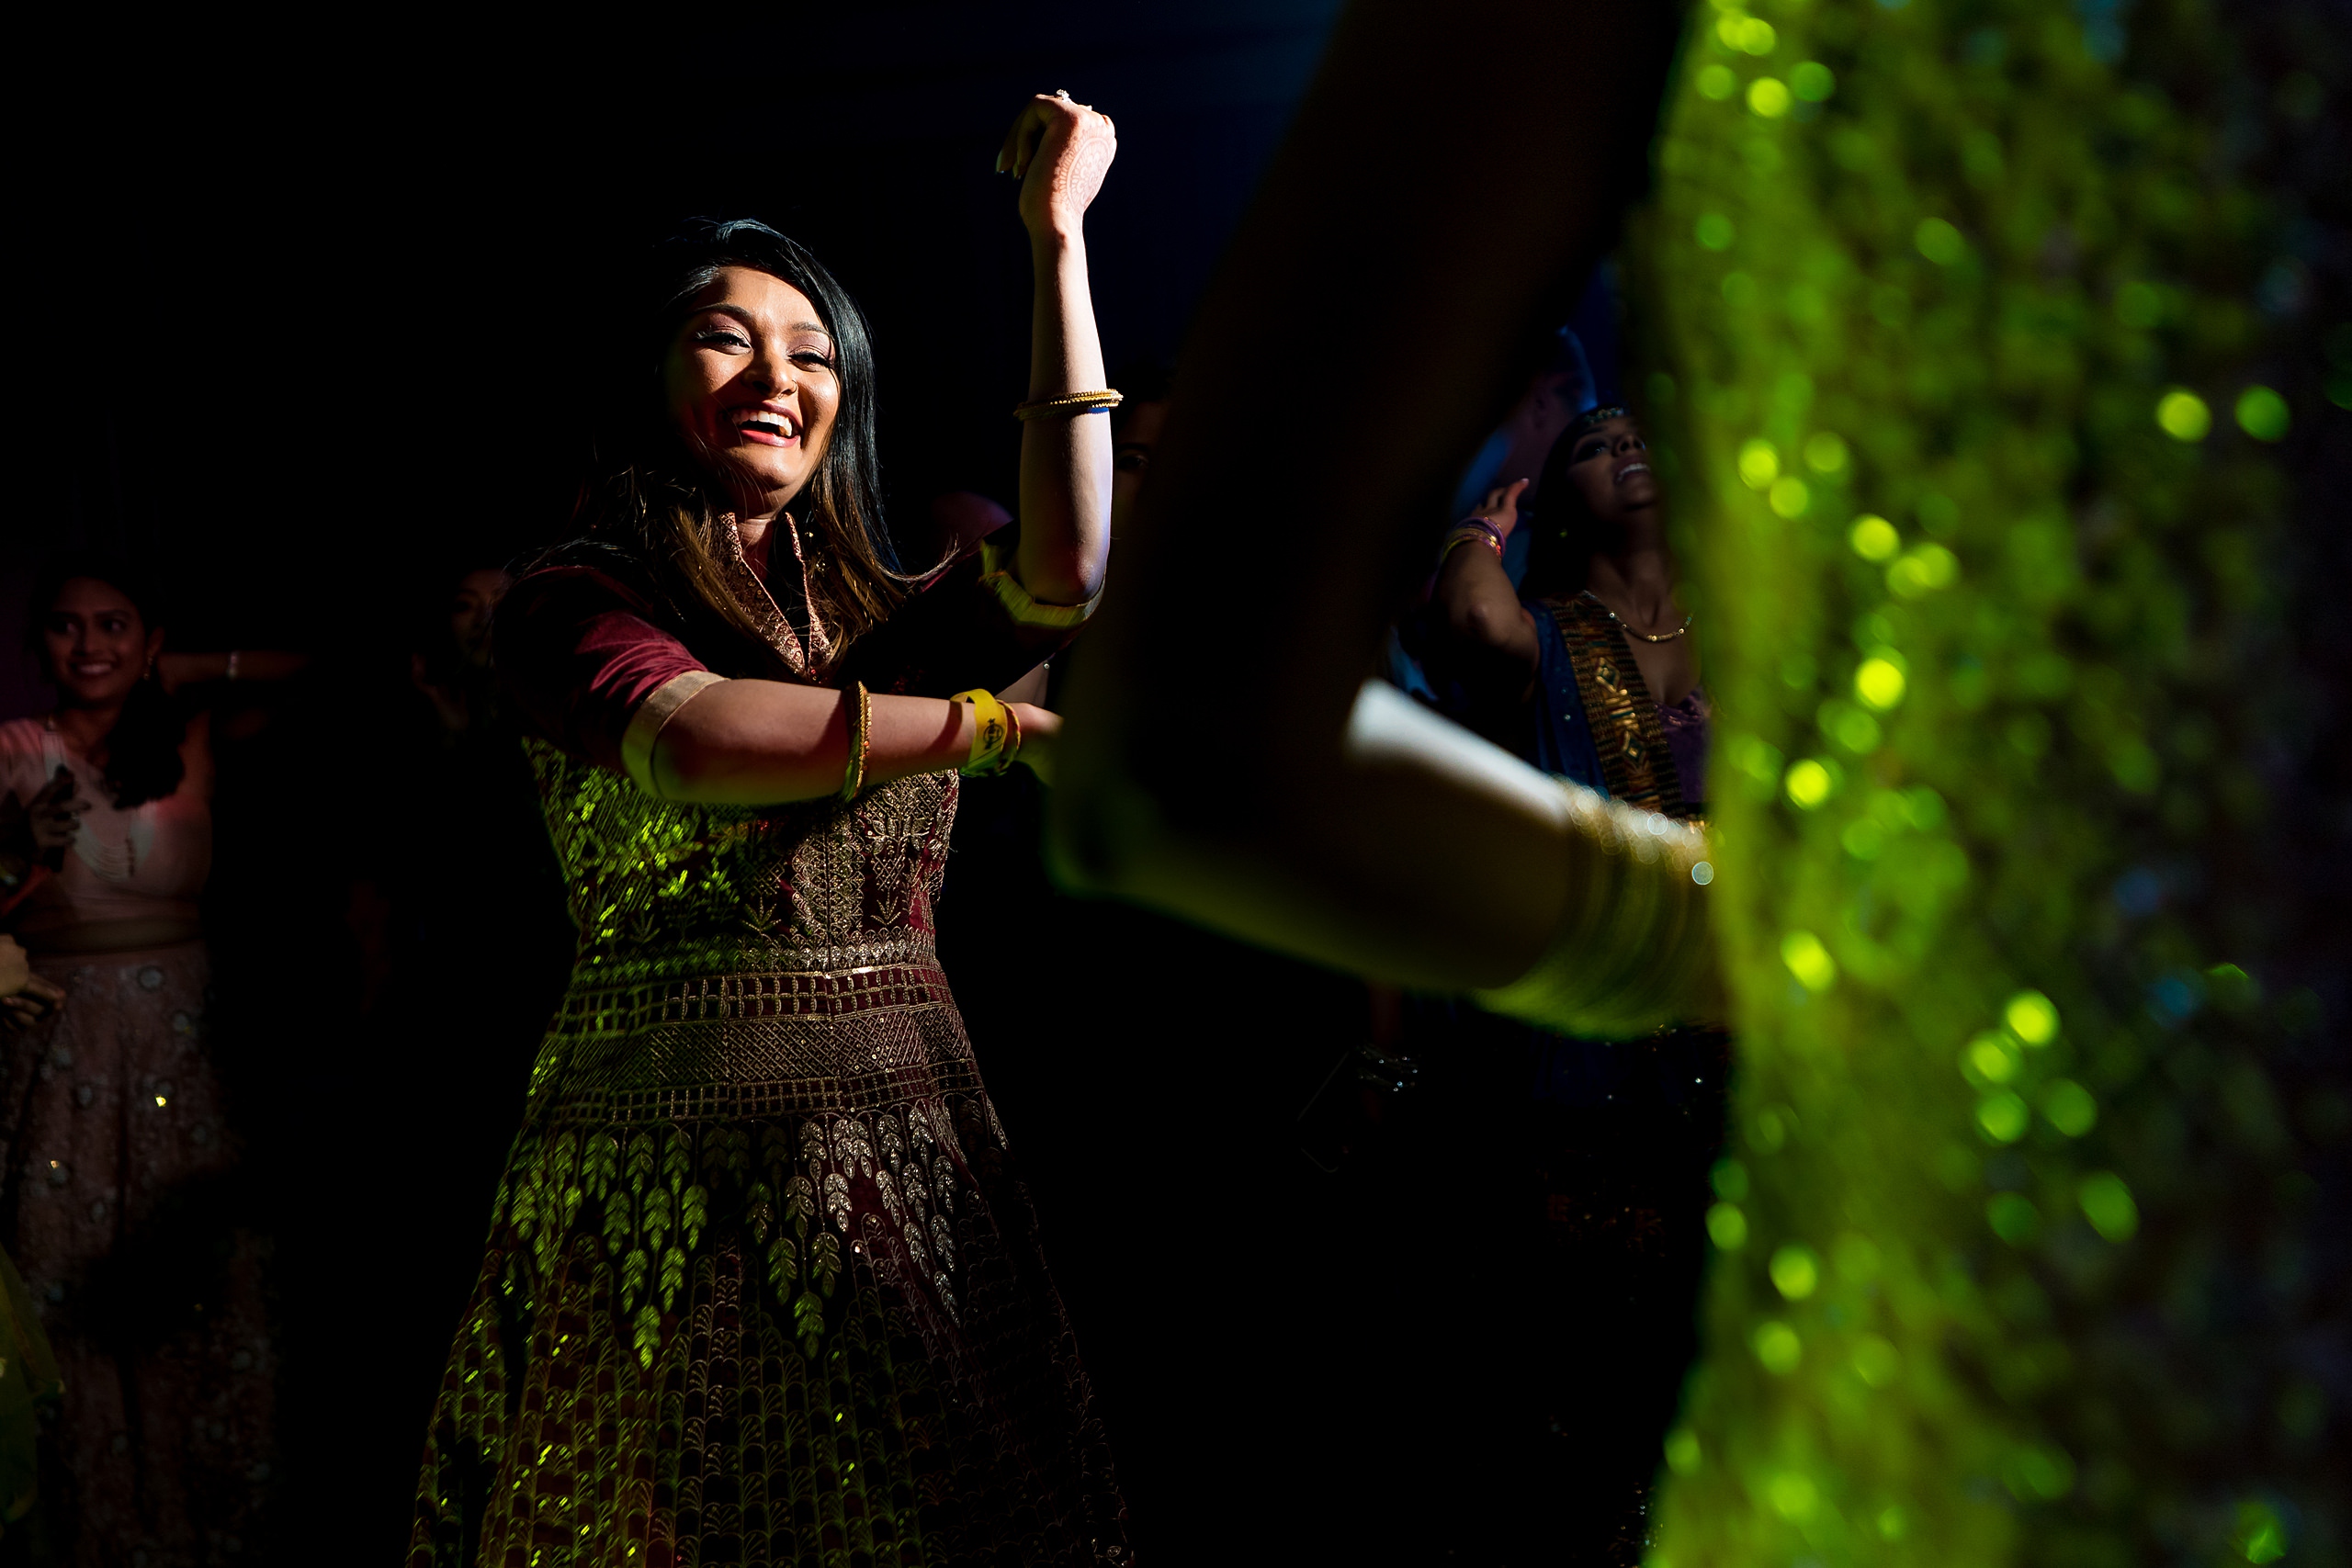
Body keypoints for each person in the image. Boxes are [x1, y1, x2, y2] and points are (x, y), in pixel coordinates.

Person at [408, 93, 1128, 1564]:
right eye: (729, 337)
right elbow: (694, 739)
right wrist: (991, 727)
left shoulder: (872, 616)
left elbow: (1065, 574)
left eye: (812, 354)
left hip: (905, 1142)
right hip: (666, 1174)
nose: (776, 376)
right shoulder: (572, 596)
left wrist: (1057, 244)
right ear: (651, 372)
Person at [0, 558, 301, 1562]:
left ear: (150, 639)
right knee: (70, 1272)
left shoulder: (187, 733)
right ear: (37, 643)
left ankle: (215, 1524)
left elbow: (328, 676)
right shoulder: (13, 751)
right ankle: (96, 1526)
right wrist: (14, 850)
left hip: (188, 1032)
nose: (88, 647)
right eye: (66, 628)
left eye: (115, 626)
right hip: (61, 1040)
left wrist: (179, 673)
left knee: (197, 1283)